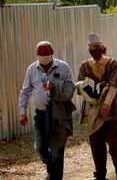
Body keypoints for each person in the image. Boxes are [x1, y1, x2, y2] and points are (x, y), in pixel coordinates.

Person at [19, 41, 75, 180]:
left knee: (57, 149)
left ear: (52, 55)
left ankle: (55, 177)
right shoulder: (32, 69)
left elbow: (70, 89)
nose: (45, 63)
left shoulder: (63, 67)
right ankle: (52, 170)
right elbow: (25, 91)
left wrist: (55, 86)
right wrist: (22, 112)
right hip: (40, 114)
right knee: (40, 147)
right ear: (37, 56)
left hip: (59, 114)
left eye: (47, 58)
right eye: (42, 58)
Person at [76, 33, 117, 180]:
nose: (94, 49)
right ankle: (100, 173)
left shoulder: (112, 64)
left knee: (114, 143)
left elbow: (114, 85)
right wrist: (86, 91)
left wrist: (106, 104)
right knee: (96, 144)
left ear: (102, 47)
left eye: (96, 47)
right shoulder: (85, 66)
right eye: (91, 47)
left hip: (112, 110)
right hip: (92, 112)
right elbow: (80, 86)